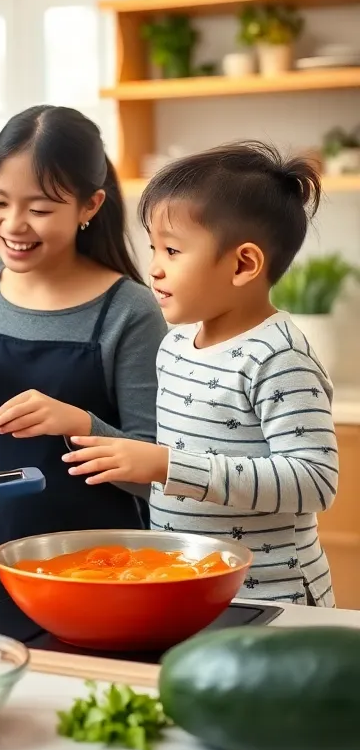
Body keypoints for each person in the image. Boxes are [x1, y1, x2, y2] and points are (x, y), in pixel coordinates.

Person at [64, 142, 338, 606]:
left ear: (243, 264)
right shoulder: (173, 346)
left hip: (272, 597)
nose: (154, 268)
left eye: (172, 250)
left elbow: (314, 481)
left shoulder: (277, 357)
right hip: (190, 586)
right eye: (154, 247)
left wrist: (167, 466)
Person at [0, 105, 167, 552]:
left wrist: (77, 422)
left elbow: (156, 475)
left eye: (40, 208)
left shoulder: (128, 310)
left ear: (90, 205)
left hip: (98, 563)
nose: (13, 224)